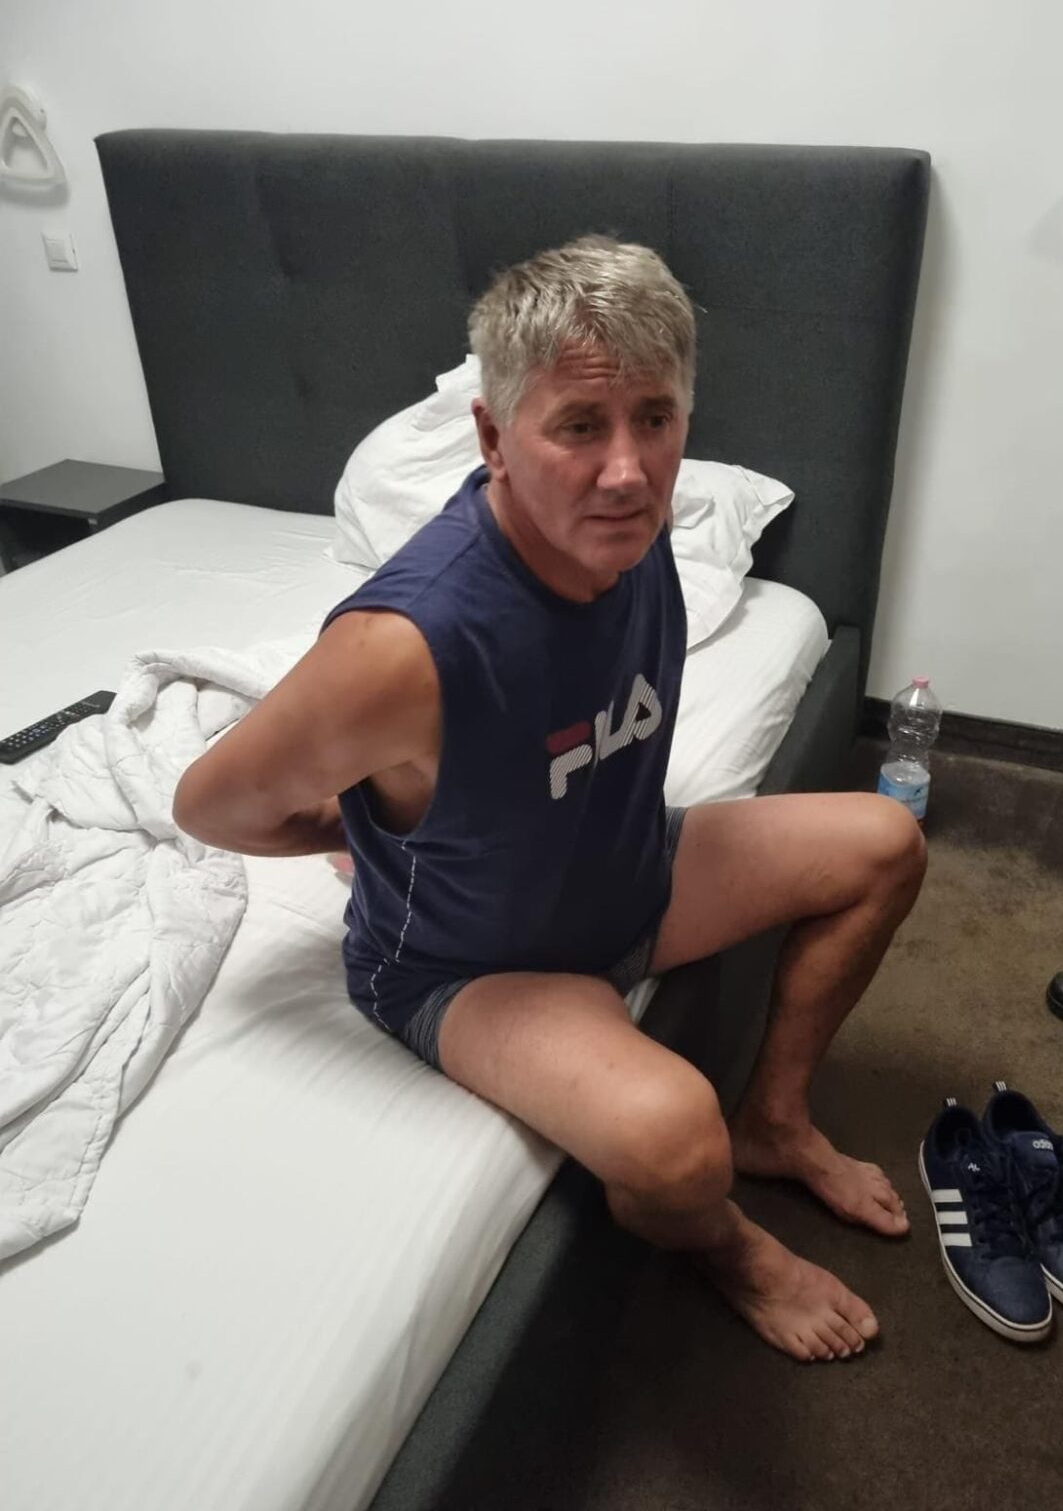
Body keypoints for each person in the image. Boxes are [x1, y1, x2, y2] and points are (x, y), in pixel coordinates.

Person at [173, 236, 927, 1364]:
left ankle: (775, 1120)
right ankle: (729, 1249)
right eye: (579, 426)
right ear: (493, 437)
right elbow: (209, 806)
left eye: (655, 419)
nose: (627, 470)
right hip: (471, 966)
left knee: (885, 840)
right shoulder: (401, 648)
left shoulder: (635, 535)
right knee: (677, 1139)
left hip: (632, 874)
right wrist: (371, 835)